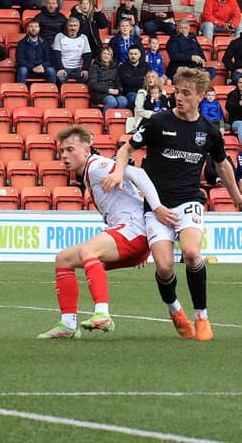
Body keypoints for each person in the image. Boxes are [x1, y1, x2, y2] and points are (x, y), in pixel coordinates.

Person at [103, 67, 242, 342]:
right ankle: (175, 310)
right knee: (164, 267)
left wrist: (237, 197)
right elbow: (126, 148)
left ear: (201, 96)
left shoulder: (209, 131)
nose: (179, 97)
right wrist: (119, 170)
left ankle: (201, 315)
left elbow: (222, 164)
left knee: (191, 254)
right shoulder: (159, 122)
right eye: (177, 91)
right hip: (157, 206)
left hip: (189, 200)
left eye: (186, 93)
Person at [37, 125, 173, 339]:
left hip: (133, 229)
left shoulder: (96, 166)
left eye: (70, 149)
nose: (64, 155)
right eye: (62, 151)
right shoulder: (89, 173)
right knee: (63, 259)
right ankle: (68, 325)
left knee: (88, 250)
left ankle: (102, 313)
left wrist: (156, 207)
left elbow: (138, 173)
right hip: (131, 234)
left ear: (86, 150)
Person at [52, 17, 92, 85]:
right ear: (67, 26)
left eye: (75, 26)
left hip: (77, 69)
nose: (73, 28)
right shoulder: (60, 36)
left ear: (78, 27)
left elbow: (87, 55)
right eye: (70, 25)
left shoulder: (83, 38)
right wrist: (60, 68)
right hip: (64, 68)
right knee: (60, 78)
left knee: (87, 77)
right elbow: (56, 54)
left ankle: (74, 89)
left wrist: (85, 69)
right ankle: (67, 90)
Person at [88, 46, 127, 114]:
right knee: (112, 101)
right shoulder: (95, 67)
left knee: (123, 101)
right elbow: (93, 84)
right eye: (104, 53)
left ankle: (115, 120)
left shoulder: (115, 67)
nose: (106, 56)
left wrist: (118, 90)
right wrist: (108, 90)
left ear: (111, 56)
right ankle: (105, 119)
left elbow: (118, 82)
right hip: (99, 93)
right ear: (101, 55)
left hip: (113, 92)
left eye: (109, 54)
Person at [15, 19, 55, 84]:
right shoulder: (21, 43)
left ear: (39, 29)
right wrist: (32, 68)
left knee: (51, 71)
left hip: (42, 69)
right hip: (28, 69)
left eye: (36, 26)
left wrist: (42, 66)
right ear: (27, 28)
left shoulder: (45, 43)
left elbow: (49, 60)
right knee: (22, 70)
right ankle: (21, 92)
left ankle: (51, 92)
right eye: (31, 26)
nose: (33, 29)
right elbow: (20, 60)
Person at [118, 45, 150, 110]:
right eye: (131, 54)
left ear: (140, 55)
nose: (133, 56)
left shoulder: (146, 66)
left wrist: (133, 79)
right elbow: (127, 82)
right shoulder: (123, 67)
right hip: (129, 92)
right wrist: (142, 79)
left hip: (144, 91)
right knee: (134, 98)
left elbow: (149, 79)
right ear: (128, 55)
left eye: (135, 54)